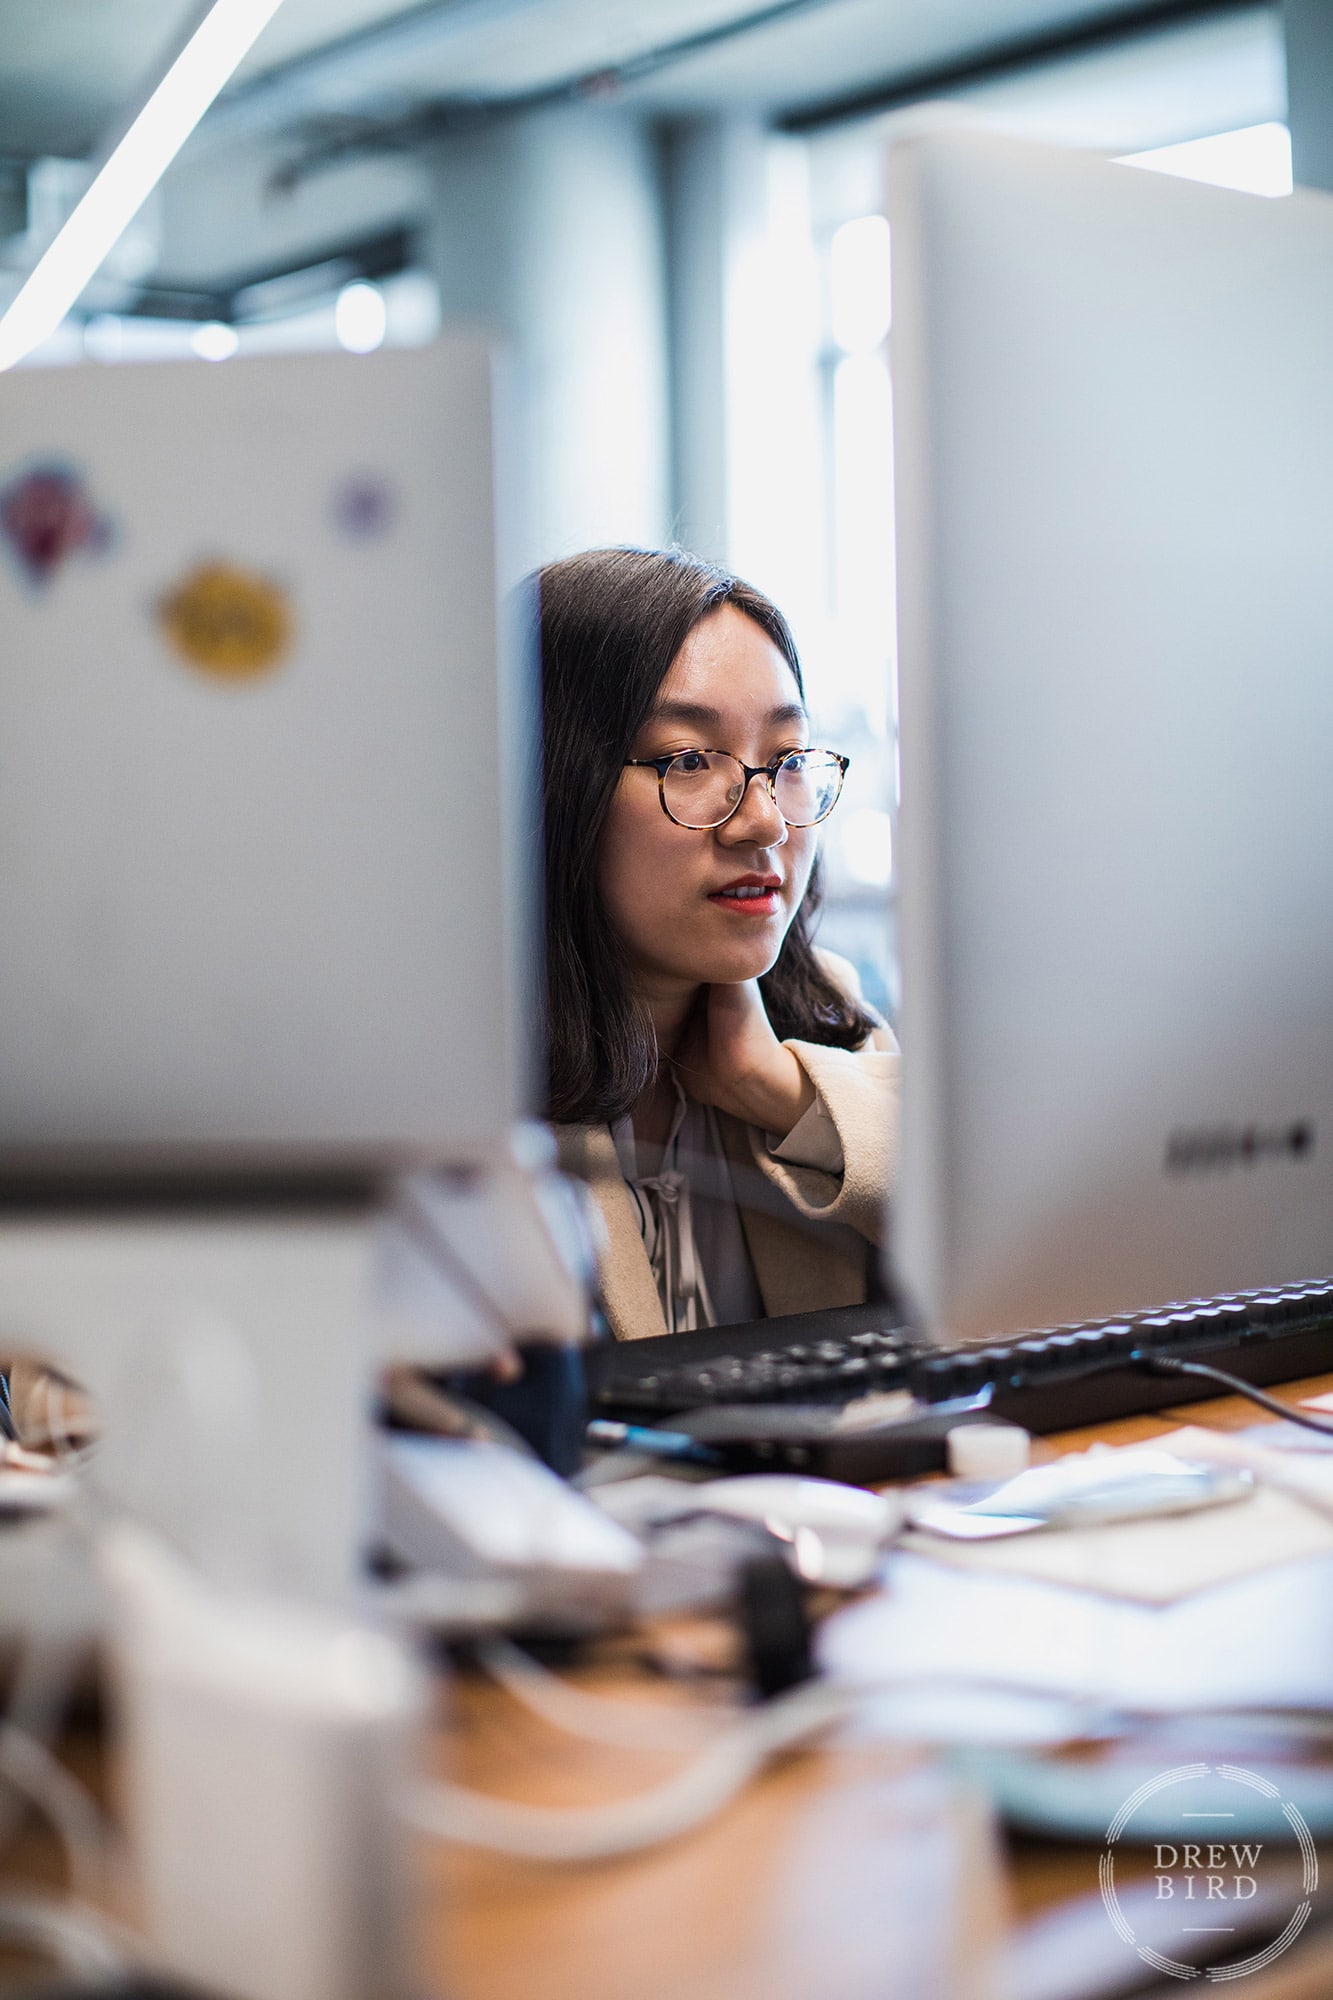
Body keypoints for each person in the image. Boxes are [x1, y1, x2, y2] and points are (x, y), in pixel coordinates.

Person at [539, 547, 900, 1342]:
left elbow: (1016, 1252)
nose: (764, 820)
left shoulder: (819, 1016)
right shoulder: (453, 1093)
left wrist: (781, 1091)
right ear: (556, 784)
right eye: (690, 759)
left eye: (787, 759)